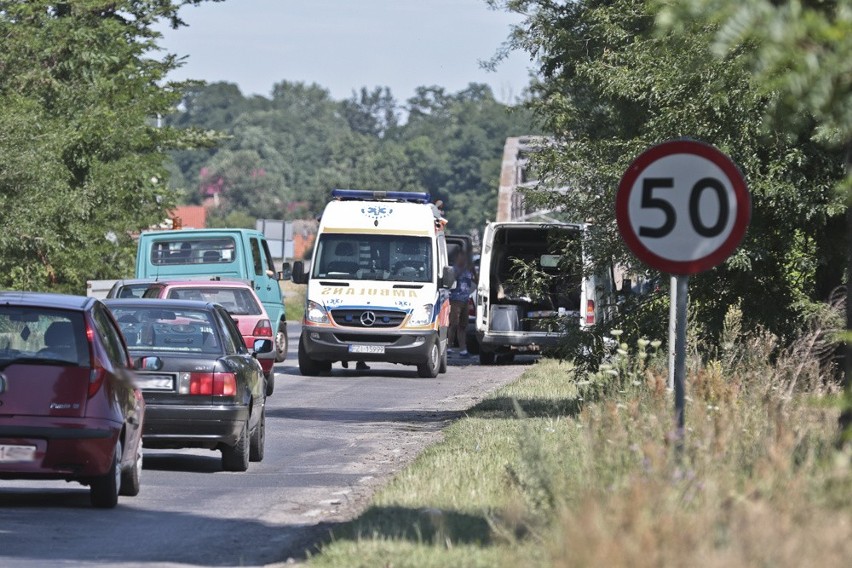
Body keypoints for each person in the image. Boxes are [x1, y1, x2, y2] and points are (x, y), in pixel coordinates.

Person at [447, 254, 474, 356]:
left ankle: (463, 349)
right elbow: (450, 282)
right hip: (455, 300)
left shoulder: (468, 270)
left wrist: (474, 272)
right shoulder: (454, 270)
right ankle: (449, 347)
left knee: (463, 325)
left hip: (465, 300)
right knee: (453, 324)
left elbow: (475, 280)